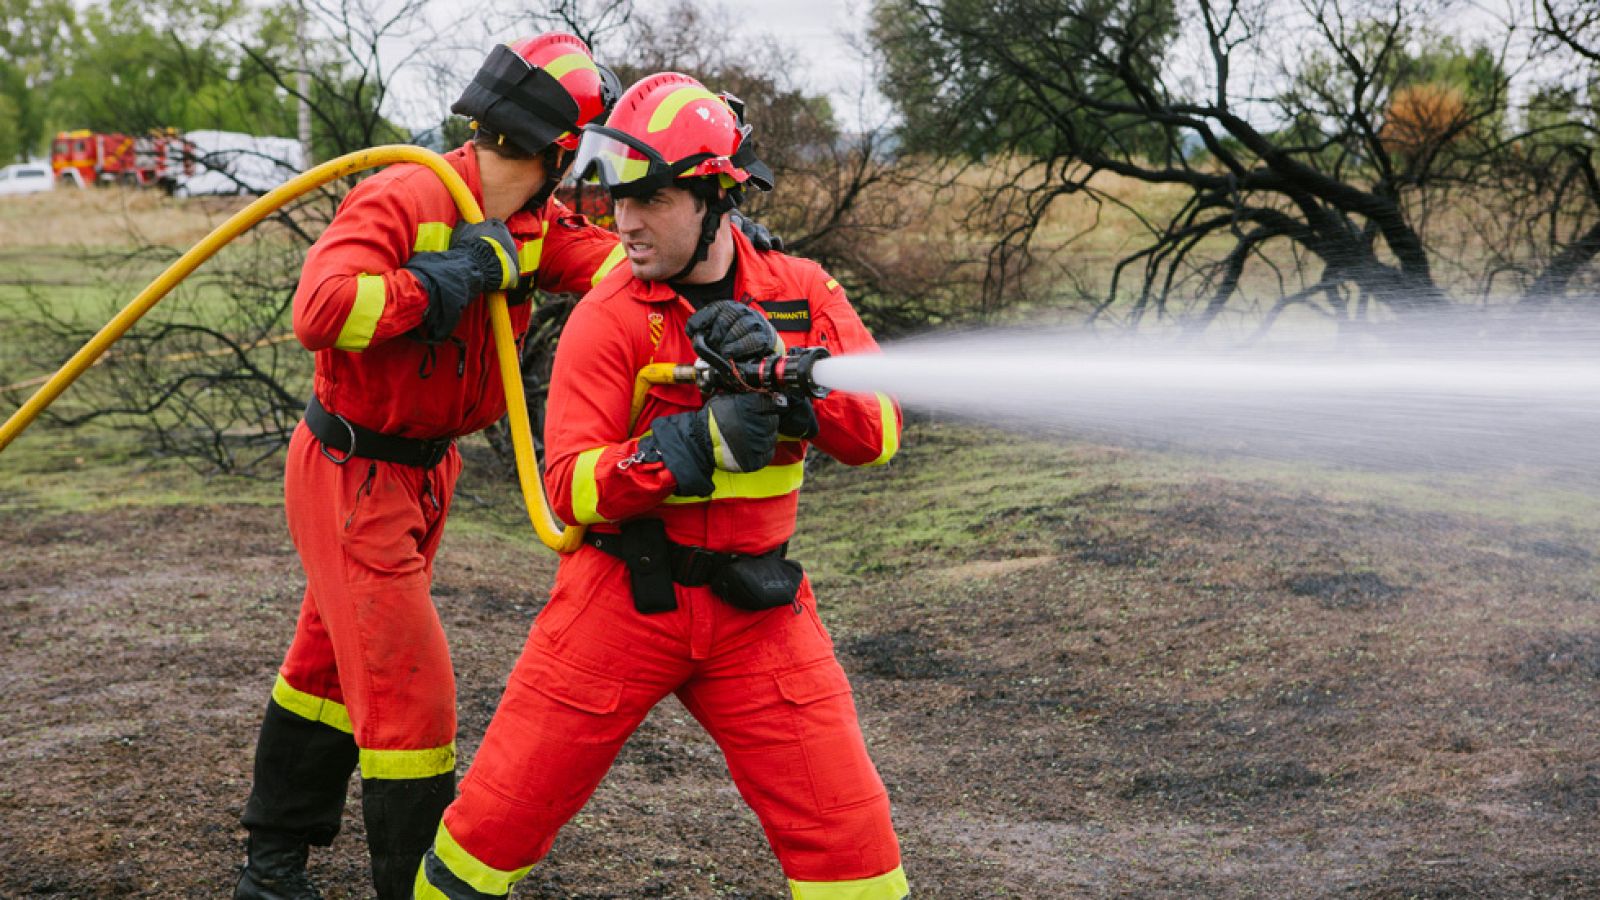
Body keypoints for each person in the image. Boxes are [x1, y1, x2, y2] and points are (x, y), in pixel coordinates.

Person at [415, 73, 909, 899]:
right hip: (618, 602)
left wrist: (797, 400)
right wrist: (689, 445)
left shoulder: (801, 292)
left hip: (759, 612)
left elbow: (880, 434)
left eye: (650, 200)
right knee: (485, 838)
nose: (624, 224)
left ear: (715, 195)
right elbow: (569, 488)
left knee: (856, 857)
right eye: (615, 200)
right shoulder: (608, 315)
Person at [234, 33, 629, 900]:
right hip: (353, 470)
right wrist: (440, 280)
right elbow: (322, 307)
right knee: (411, 691)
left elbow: (612, 267)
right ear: (557, 151)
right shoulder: (408, 194)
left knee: (330, 669)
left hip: (424, 472)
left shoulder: (529, 222)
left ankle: (271, 874)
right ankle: (414, 887)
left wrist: (704, 253)